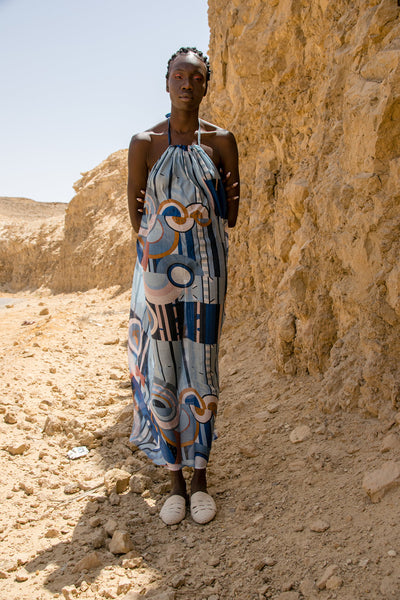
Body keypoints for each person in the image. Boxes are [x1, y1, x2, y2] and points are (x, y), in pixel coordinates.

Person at [127, 47, 239, 525]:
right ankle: (172, 480)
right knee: (164, 368)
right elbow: (135, 215)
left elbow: (231, 214)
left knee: (203, 369)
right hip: (160, 278)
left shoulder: (222, 141)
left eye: (197, 76)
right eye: (179, 75)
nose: (187, 84)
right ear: (166, 82)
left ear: (206, 85)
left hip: (208, 275)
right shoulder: (144, 142)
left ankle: (200, 480)